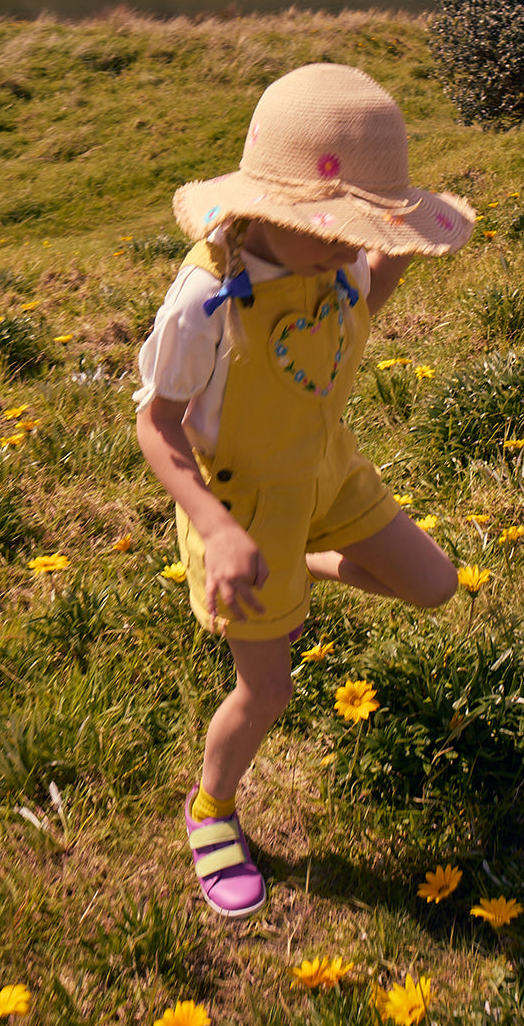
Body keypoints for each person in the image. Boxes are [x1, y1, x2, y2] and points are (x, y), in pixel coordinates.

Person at [135, 63, 475, 918]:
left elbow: (371, 282)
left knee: (437, 586)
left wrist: (389, 239)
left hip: (328, 468)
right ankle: (212, 809)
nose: (353, 250)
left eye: (364, 232)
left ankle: (308, 568)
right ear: (270, 211)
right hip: (244, 507)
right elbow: (155, 427)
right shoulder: (205, 299)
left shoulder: (333, 265)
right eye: (337, 229)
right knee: (270, 691)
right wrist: (215, 531)